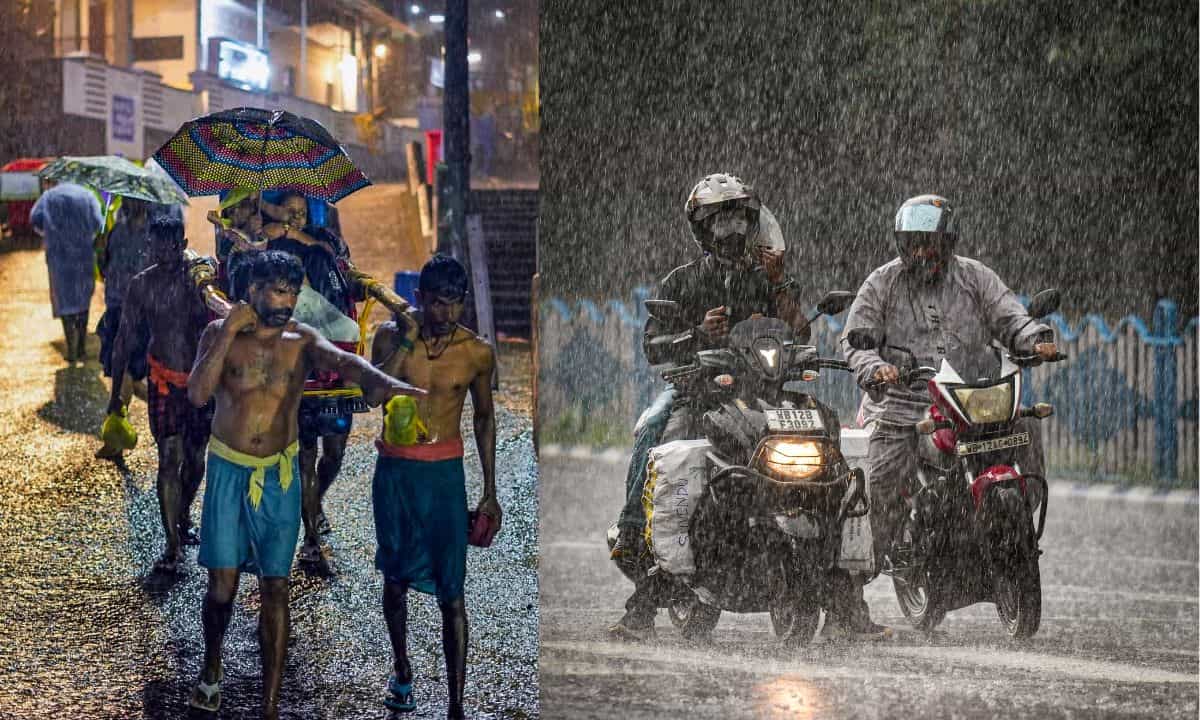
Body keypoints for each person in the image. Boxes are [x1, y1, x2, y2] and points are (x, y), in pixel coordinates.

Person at [184, 250, 424, 718]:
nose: (287, 300)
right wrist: (230, 329)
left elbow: (345, 362)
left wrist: (383, 380)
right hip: (230, 469)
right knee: (222, 589)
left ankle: (270, 707)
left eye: (293, 291)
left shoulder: (302, 339)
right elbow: (197, 394)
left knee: (277, 586)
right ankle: (213, 667)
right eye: (277, 289)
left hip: (281, 472)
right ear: (251, 290)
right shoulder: (219, 333)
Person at [836, 193, 1059, 640]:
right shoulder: (882, 285)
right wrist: (874, 367)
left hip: (975, 400)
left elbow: (1012, 317)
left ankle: (1009, 528)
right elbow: (856, 342)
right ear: (901, 244)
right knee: (877, 489)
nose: (922, 253)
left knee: (1027, 423)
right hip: (904, 405)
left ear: (948, 242)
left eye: (931, 244)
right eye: (914, 243)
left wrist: (1035, 339)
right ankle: (845, 600)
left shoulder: (975, 277)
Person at [608, 172, 808, 641]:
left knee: (824, 432)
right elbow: (654, 347)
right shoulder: (681, 282)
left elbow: (802, 334)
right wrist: (698, 332)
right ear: (702, 229)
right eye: (721, 223)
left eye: (740, 220)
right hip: (697, 392)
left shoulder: (770, 279)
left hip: (765, 396)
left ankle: (842, 588)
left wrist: (780, 287)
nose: (733, 232)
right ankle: (636, 536)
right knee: (657, 428)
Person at [371, 254, 499, 720]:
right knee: (395, 577)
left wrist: (489, 490)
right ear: (419, 298)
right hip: (395, 473)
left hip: (444, 474)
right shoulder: (389, 336)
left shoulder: (477, 352)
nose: (446, 314)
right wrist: (406, 336)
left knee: (453, 590)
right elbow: (373, 395)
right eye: (437, 303)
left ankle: (456, 704)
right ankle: (402, 669)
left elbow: (484, 418)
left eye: (455, 304)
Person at [106, 216, 213, 570]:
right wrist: (114, 400)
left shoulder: (201, 279)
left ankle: (182, 516)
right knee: (169, 458)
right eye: (157, 247)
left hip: (199, 383)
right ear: (148, 246)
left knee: (196, 460)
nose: (165, 254)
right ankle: (172, 545)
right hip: (162, 381)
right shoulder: (141, 285)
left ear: (182, 244)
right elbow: (123, 341)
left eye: (171, 246)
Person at [96, 199, 183, 459]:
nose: (132, 203)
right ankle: (117, 438)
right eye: (128, 199)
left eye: (137, 200)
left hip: (143, 314)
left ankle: (118, 438)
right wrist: (100, 252)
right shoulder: (116, 231)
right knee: (123, 373)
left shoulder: (154, 235)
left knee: (130, 375)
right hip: (115, 308)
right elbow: (106, 270)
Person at [30, 181, 104, 364]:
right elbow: (98, 222)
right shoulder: (87, 196)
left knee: (64, 300)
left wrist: (49, 232)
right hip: (82, 255)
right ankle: (81, 348)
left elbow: (35, 218)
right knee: (82, 299)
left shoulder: (48, 197)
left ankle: (70, 345)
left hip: (59, 256)